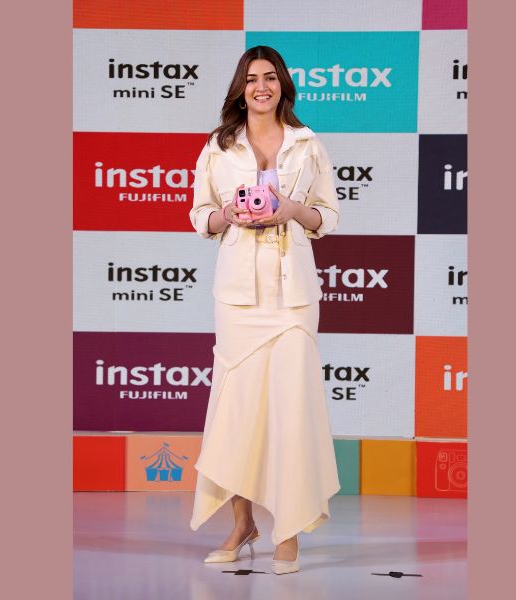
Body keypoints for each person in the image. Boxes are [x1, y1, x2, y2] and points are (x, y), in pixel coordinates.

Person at [188, 45, 341, 575]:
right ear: (240, 88)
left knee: (291, 410)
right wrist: (228, 215)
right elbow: (200, 215)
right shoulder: (218, 146)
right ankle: (242, 523)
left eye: (270, 78)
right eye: (252, 78)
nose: (261, 87)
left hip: (292, 295)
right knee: (238, 412)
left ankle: (288, 530)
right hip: (237, 297)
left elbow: (329, 216)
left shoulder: (307, 143)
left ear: (283, 86)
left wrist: (293, 209)